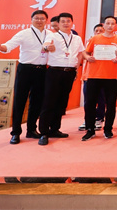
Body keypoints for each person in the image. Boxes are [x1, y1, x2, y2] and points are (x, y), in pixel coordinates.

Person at [0, 10, 48, 144]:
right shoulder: (24, 33)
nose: (39, 21)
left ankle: (31, 130)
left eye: (42, 18)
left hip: (41, 70)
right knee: (20, 101)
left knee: (36, 101)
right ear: (31, 20)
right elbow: (9, 46)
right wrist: (0, 47)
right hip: (25, 69)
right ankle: (15, 133)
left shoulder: (50, 34)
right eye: (36, 18)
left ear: (46, 20)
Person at [38, 12, 85, 146]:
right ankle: (44, 132)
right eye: (63, 21)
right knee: (49, 101)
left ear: (72, 23)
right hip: (55, 72)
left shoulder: (77, 38)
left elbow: (80, 54)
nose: (65, 23)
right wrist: (47, 47)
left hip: (69, 73)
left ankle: (55, 129)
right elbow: (45, 45)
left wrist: (76, 69)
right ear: (58, 24)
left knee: (61, 102)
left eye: (68, 21)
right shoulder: (52, 36)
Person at [80, 16, 117, 141]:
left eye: (113, 24)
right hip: (94, 76)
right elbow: (85, 52)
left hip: (111, 77)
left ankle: (108, 129)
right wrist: (88, 58)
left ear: (115, 26)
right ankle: (90, 130)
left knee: (110, 105)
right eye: (108, 23)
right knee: (90, 104)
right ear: (104, 25)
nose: (110, 26)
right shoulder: (95, 39)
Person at [78, 23, 106, 132]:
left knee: (101, 99)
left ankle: (99, 118)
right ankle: (88, 119)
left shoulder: (108, 44)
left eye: (101, 31)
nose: (98, 32)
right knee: (88, 100)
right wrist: (87, 56)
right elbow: (83, 54)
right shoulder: (89, 43)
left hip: (102, 75)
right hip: (88, 75)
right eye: (96, 31)